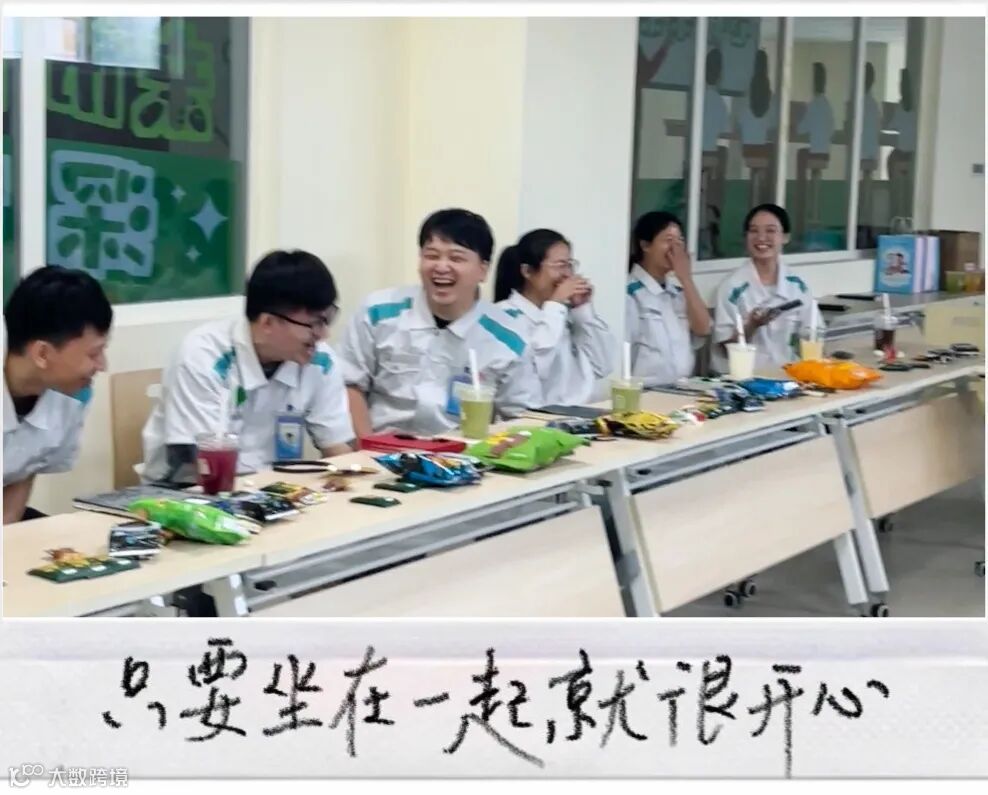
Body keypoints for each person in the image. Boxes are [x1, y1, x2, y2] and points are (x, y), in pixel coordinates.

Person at [142, 250, 354, 483]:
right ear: (268, 322)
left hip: (274, 488)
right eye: (314, 323)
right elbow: (200, 464)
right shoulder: (203, 356)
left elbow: (337, 448)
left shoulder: (321, 361)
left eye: (327, 320)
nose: (324, 335)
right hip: (189, 490)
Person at [340, 208, 542, 438]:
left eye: (456, 258)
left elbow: (523, 418)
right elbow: (350, 384)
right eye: (432, 255)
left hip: (462, 454)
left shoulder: (509, 338)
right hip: (379, 450)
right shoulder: (378, 312)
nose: (442, 267)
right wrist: (366, 448)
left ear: (483, 270)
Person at [3, 266, 112, 524]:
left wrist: (8, 532)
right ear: (42, 354)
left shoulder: (74, 393)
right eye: (93, 354)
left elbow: (26, 464)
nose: (102, 366)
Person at [493, 229, 615, 405]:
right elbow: (537, 367)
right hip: (539, 416)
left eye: (569, 265)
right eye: (559, 266)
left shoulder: (565, 313)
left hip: (584, 410)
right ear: (527, 271)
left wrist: (583, 310)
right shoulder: (504, 316)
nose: (567, 274)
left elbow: (602, 366)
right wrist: (555, 304)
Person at [712, 203, 824, 372]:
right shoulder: (732, 287)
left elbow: (814, 334)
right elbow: (724, 349)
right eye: (754, 231)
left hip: (788, 376)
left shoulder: (797, 286)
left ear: (785, 237)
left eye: (770, 230)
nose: (761, 238)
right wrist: (752, 325)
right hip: (745, 380)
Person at [626, 211, 711, 386]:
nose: (675, 249)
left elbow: (703, 329)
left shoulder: (678, 292)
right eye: (668, 240)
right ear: (645, 245)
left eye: (679, 241)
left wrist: (686, 278)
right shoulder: (629, 293)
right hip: (646, 391)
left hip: (682, 387)